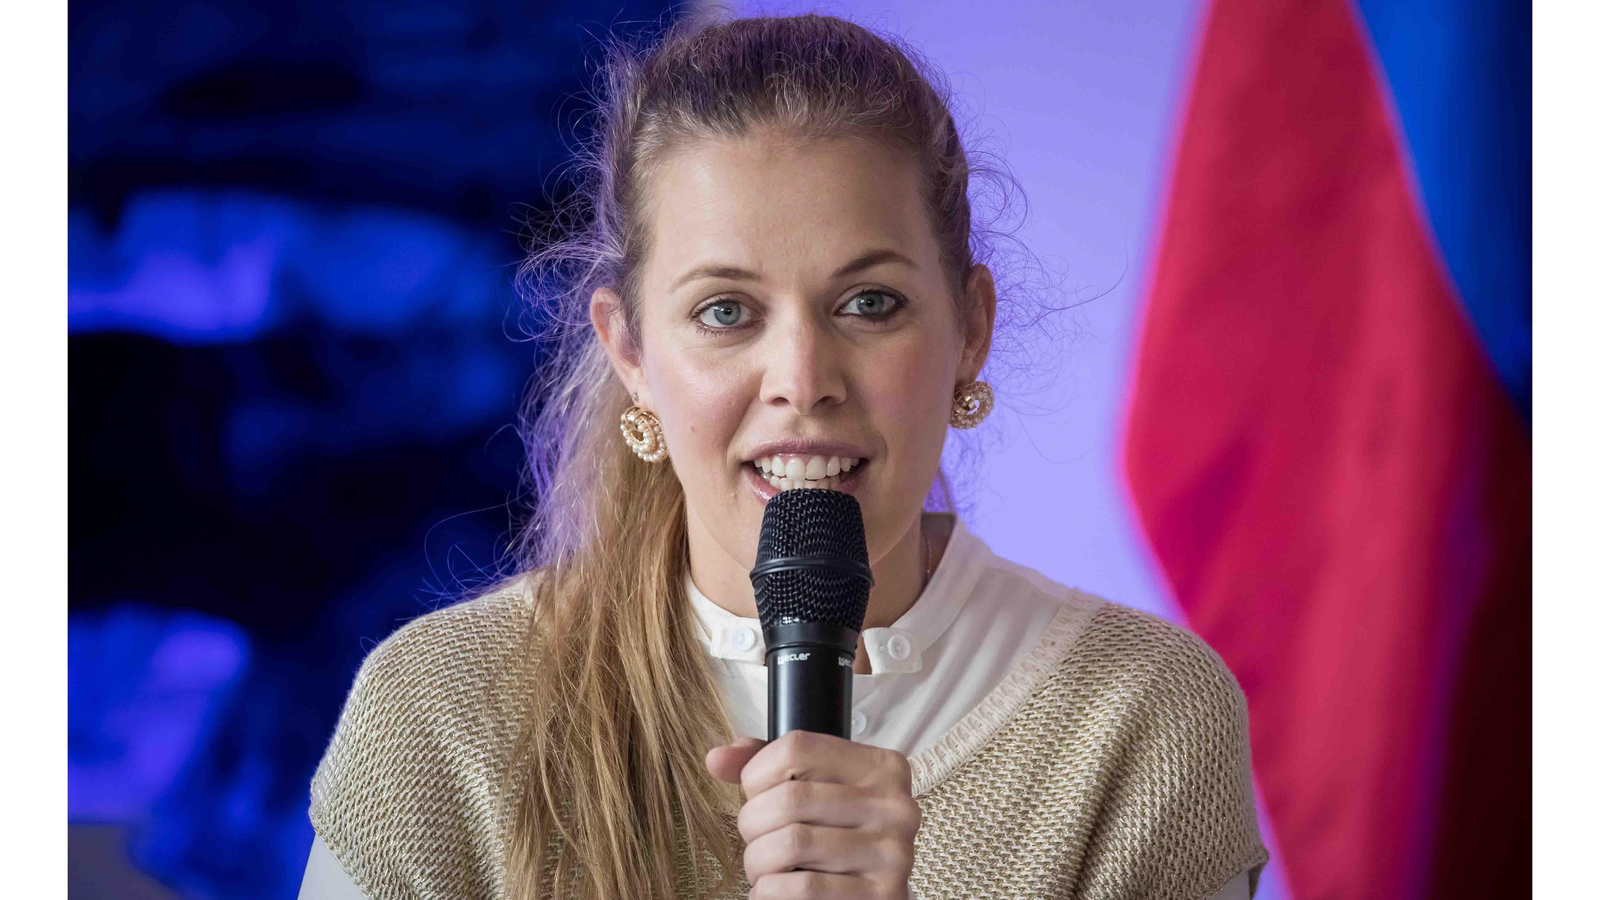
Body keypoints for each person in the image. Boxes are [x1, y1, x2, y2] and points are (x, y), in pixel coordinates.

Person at [299, 11, 1268, 900]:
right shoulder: (441, 717)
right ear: (630, 354)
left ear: (970, 328)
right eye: (726, 312)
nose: (802, 380)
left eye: (868, 303)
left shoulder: (1140, 722)